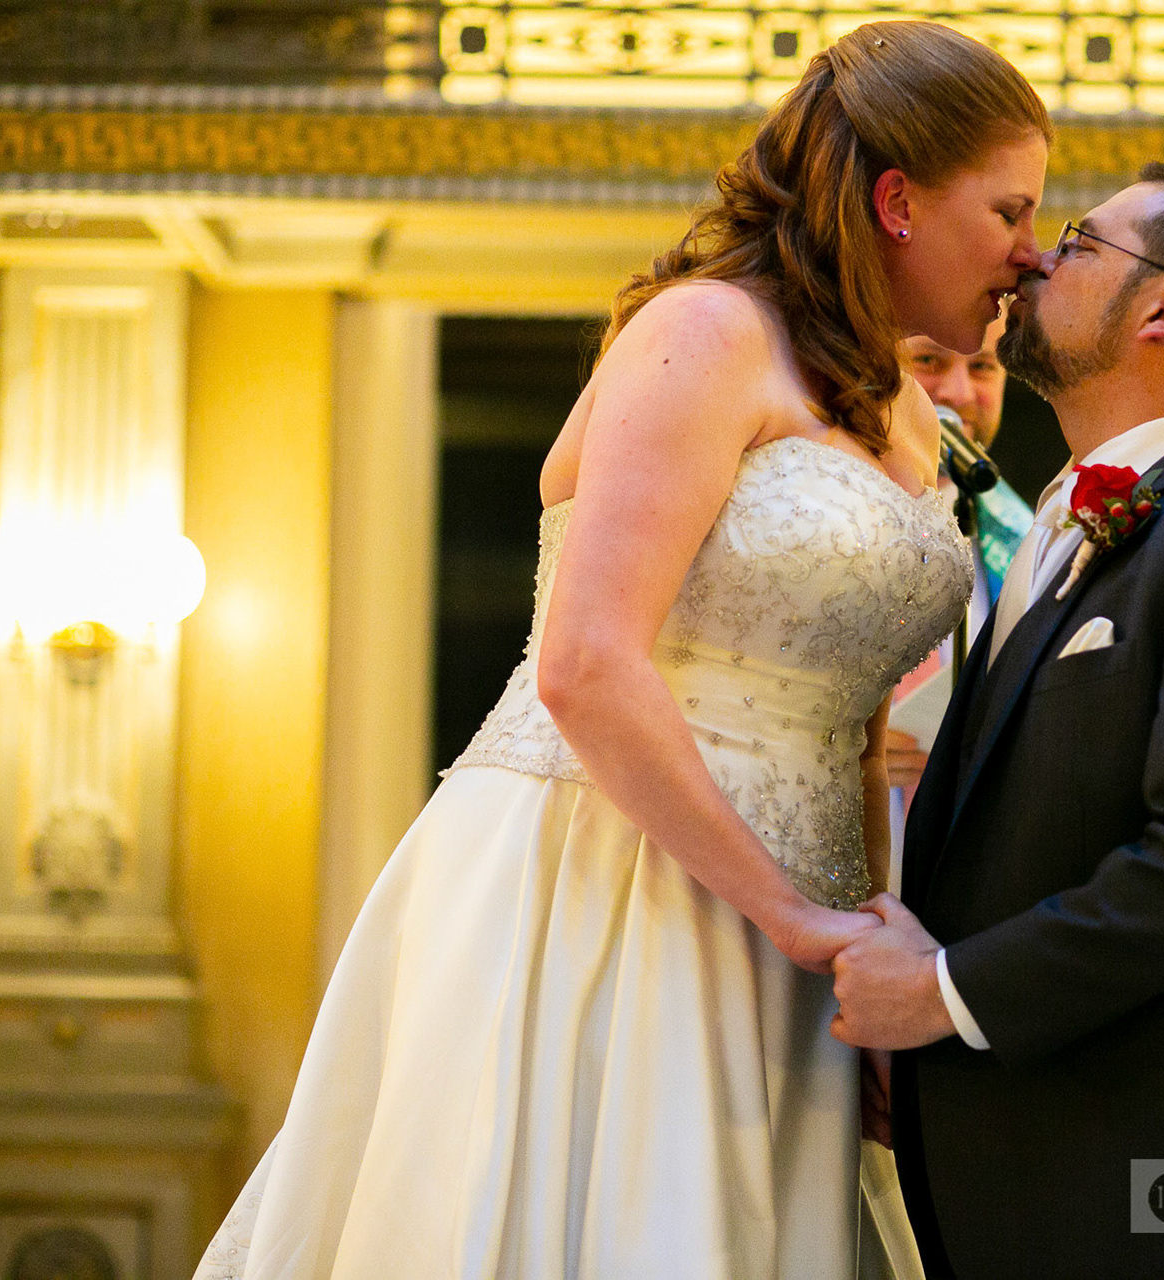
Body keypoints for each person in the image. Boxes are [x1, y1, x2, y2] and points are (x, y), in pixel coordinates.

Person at [194, 22, 1048, 1279]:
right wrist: (787, 914)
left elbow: (862, 730)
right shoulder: (703, 333)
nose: (1032, 255)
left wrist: (861, 955)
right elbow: (586, 663)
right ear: (899, 201)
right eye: (1013, 209)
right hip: (614, 878)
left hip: (801, 936)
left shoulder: (908, 413)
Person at [829, 164, 1164, 1278]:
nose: (1034, 256)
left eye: (1079, 240)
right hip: (1039, 1182)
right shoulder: (1049, 528)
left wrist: (943, 993)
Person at [884, 319, 1032, 797]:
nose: (960, 393)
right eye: (929, 360)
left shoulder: (1028, 537)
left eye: (984, 367)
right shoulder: (803, 512)